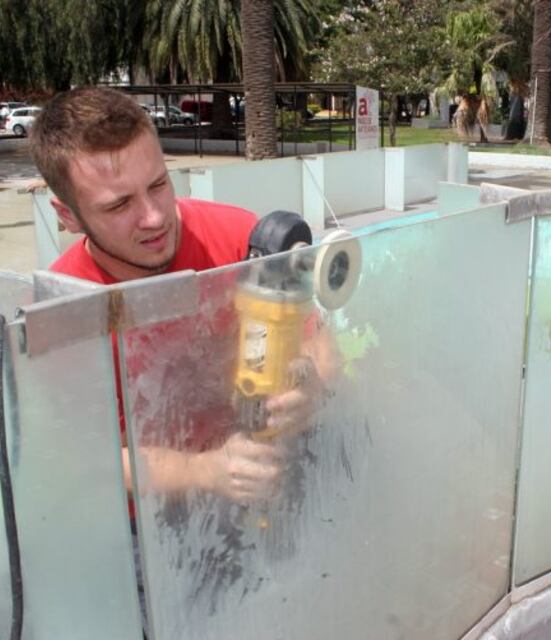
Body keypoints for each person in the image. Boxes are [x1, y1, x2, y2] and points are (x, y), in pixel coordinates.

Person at [29, 86, 330, 506]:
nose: (154, 217)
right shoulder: (61, 310)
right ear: (67, 216)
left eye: (158, 185)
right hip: (160, 519)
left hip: (271, 471)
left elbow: (318, 340)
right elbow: (83, 456)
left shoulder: (241, 239)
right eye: (119, 206)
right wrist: (203, 470)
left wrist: (310, 389)